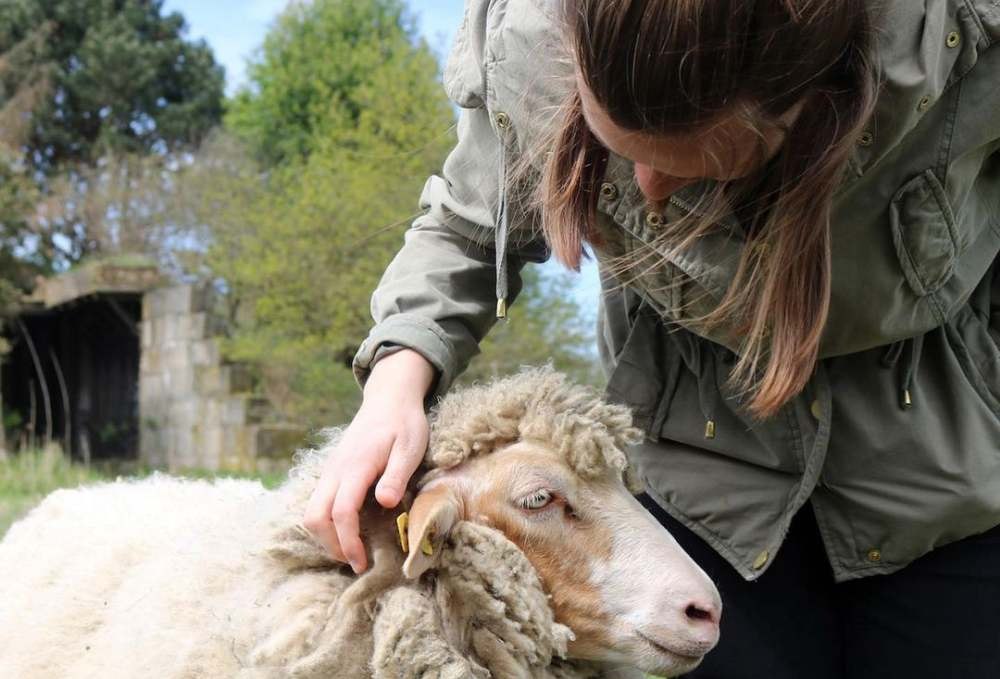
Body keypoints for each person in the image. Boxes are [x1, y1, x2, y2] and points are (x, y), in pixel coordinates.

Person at [304, 1, 1000, 676]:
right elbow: (469, 223)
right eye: (616, 147)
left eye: (696, 164)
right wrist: (396, 382)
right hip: (693, 479)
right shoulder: (534, 45)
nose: (648, 187)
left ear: (818, 107)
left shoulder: (967, 53)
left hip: (950, 483)